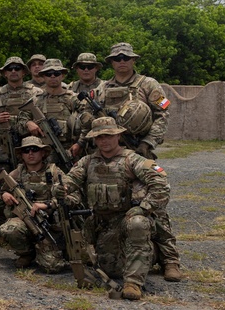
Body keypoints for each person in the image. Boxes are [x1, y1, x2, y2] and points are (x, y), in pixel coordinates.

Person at [85, 42, 180, 281]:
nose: (121, 61)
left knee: (151, 205)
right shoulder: (102, 88)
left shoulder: (148, 85)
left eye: (126, 57)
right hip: (110, 156)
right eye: (116, 58)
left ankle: (170, 259)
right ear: (111, 62)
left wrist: (147, 143)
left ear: (133, 60)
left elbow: (163, 114)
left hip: (139, 153)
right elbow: (87, 117)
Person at [63, 117, 171, 300]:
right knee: (109, 268)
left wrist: (143, 209)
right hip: (100, 224)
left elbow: (161, 184)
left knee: (138, 224)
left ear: (118, 136)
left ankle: (133, 283)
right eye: (99, 137)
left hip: (126, 220)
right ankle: (151, 255)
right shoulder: (88, 162)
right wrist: (62, 188)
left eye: (108, 136)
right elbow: (70, 181)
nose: (104, 141)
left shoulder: (132, 160)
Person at [0, 137, 66, 272]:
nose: (30, 153)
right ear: (21, 155)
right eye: (26, 150)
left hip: (50, 224)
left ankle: (49, 250)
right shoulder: (17, 173)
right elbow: (3, 191)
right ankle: (26, 253)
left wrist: (47, 205)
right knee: (9, 229)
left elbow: (69, 196)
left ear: (43, 153)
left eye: (35, 149)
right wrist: (5, 195)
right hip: (25, 220)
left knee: (53, 267)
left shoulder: (53, 172)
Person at [0, 56, 40, 173]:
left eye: (17, 68)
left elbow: (43, 119)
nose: (13, 71)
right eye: (10, 69)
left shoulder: (35, 92)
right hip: (5, 147)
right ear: (5, 73)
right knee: (3, 182)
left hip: (31, 147)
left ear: (23, 72)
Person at [24, 58, 81, 168]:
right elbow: (21, 120)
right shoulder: (36, 100)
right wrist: (28, 123)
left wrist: (80, 144)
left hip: (70, 150)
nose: (53, 76)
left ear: (62, 75)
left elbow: (88, 123)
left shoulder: (73, 98)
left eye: (56, 73)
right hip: (42, 153)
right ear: (43, 76)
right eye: (49, 74)